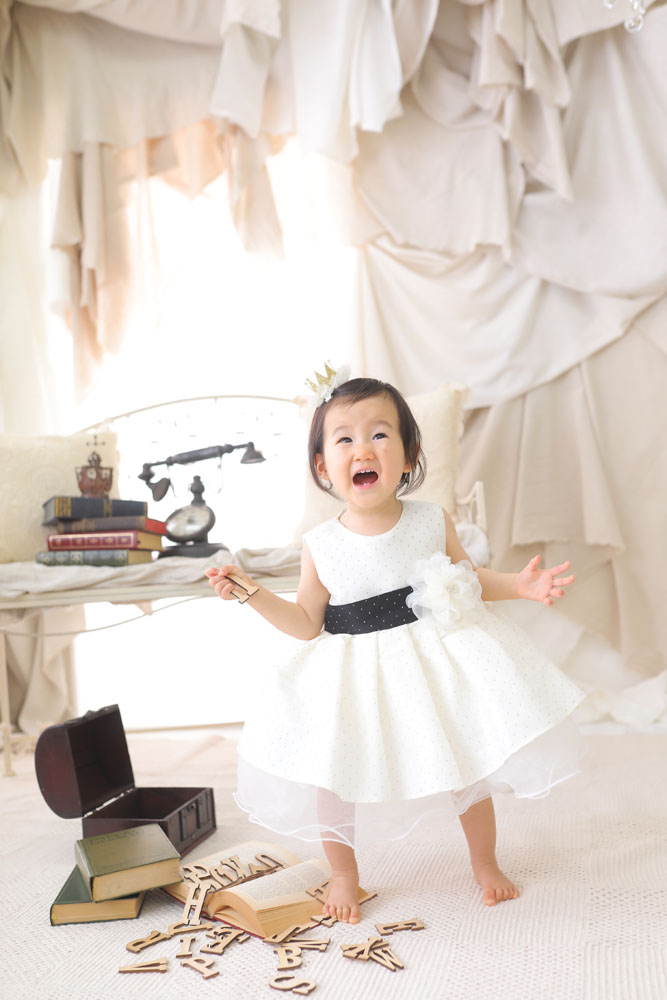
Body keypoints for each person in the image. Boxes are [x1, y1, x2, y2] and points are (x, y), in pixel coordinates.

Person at [205, 368, 586, 925]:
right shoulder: (320, 544)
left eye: (380, 434)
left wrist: (520, 586)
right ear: (323, 467)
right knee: (333, 774)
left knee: (466, 759)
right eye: (345, 439)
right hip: (354, 671)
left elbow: (468, 579)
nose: (363, 449)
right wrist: (252, 593)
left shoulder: (431, 520)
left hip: (430, 660)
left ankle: (485, 862)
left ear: (408, 457)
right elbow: (307, 622)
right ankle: (343, 874)